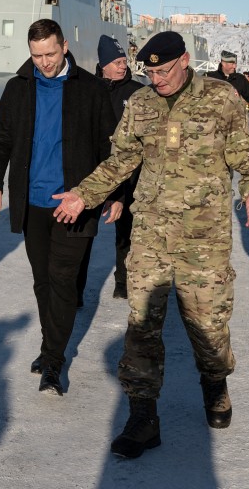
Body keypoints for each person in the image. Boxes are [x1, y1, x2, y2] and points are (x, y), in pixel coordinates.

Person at [51, 31, 249, 458]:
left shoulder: (221, 97)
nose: (157, 79)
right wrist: (85, 193)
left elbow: (246, 152)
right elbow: (121, 160)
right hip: (150, 231)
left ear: (185, 61)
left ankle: (215, 383)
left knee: (208, 324)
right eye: (149, 72)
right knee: (142, 323)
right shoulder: (141, 104)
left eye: (164, 70)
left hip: (204, 236)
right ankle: (142, 415)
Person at [0, 19, 114, 396]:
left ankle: (53, 361)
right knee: (43, 281)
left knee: (61, 279)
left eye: (51, 54)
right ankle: (50, 346)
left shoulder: (91, 89)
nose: (44, 62)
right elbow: (1, 139)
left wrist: (113, 195)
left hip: (75, 202)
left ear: (65, 46)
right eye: (37, 55)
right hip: (33, 203)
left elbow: (111, 150)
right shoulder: (17, 88)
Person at [89, 34, 144, 301]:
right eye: (117, 61)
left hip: (129, 171)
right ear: (103, 64)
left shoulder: (137, 91)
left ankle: (122, 283)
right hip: (94, 170)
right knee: (83, 230)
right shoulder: (89, 89)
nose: (123, 66)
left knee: (126, 231)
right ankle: (75, 289)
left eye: (124, 61)